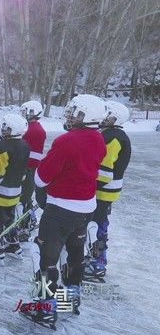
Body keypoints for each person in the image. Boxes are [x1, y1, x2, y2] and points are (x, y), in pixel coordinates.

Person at [21, 94, 107, 329]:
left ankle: (46, 308)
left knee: (44, 257)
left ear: (85, 116)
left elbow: (41, 177)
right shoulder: (99, 139)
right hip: (86, 208)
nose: (71, 116)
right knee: (74, 254)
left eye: (76, 112)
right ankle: (69, 299)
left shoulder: (67, 141)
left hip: (60, 209)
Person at [83, 101, 131, 281]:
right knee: (98, 222)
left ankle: (98, 262)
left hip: (104, 189)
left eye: (108, 114)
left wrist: (89, 184)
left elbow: (104, 170)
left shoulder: (113, 136)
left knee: (97, 223)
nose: (104, 117)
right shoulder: (111, 134)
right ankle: (96, 258)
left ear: (115, 118)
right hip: (108, 189)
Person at [0, 114, 30, 262]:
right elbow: (24, 172)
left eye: (7, 129)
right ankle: (13, 244)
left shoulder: (2, 147)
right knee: (10, 218)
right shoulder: (25, 144)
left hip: (0, 192)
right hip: (16, 190)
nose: (4, 131)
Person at [17, 101, 47, 242]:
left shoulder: (33, 129)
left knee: (23, 197)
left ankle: (24, 225)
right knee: (25, 196)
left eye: (26, 111)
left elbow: (31, 154)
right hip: (29, 168)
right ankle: (29, 220)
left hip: (28, 168)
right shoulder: (32, 127)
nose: (23, 114)